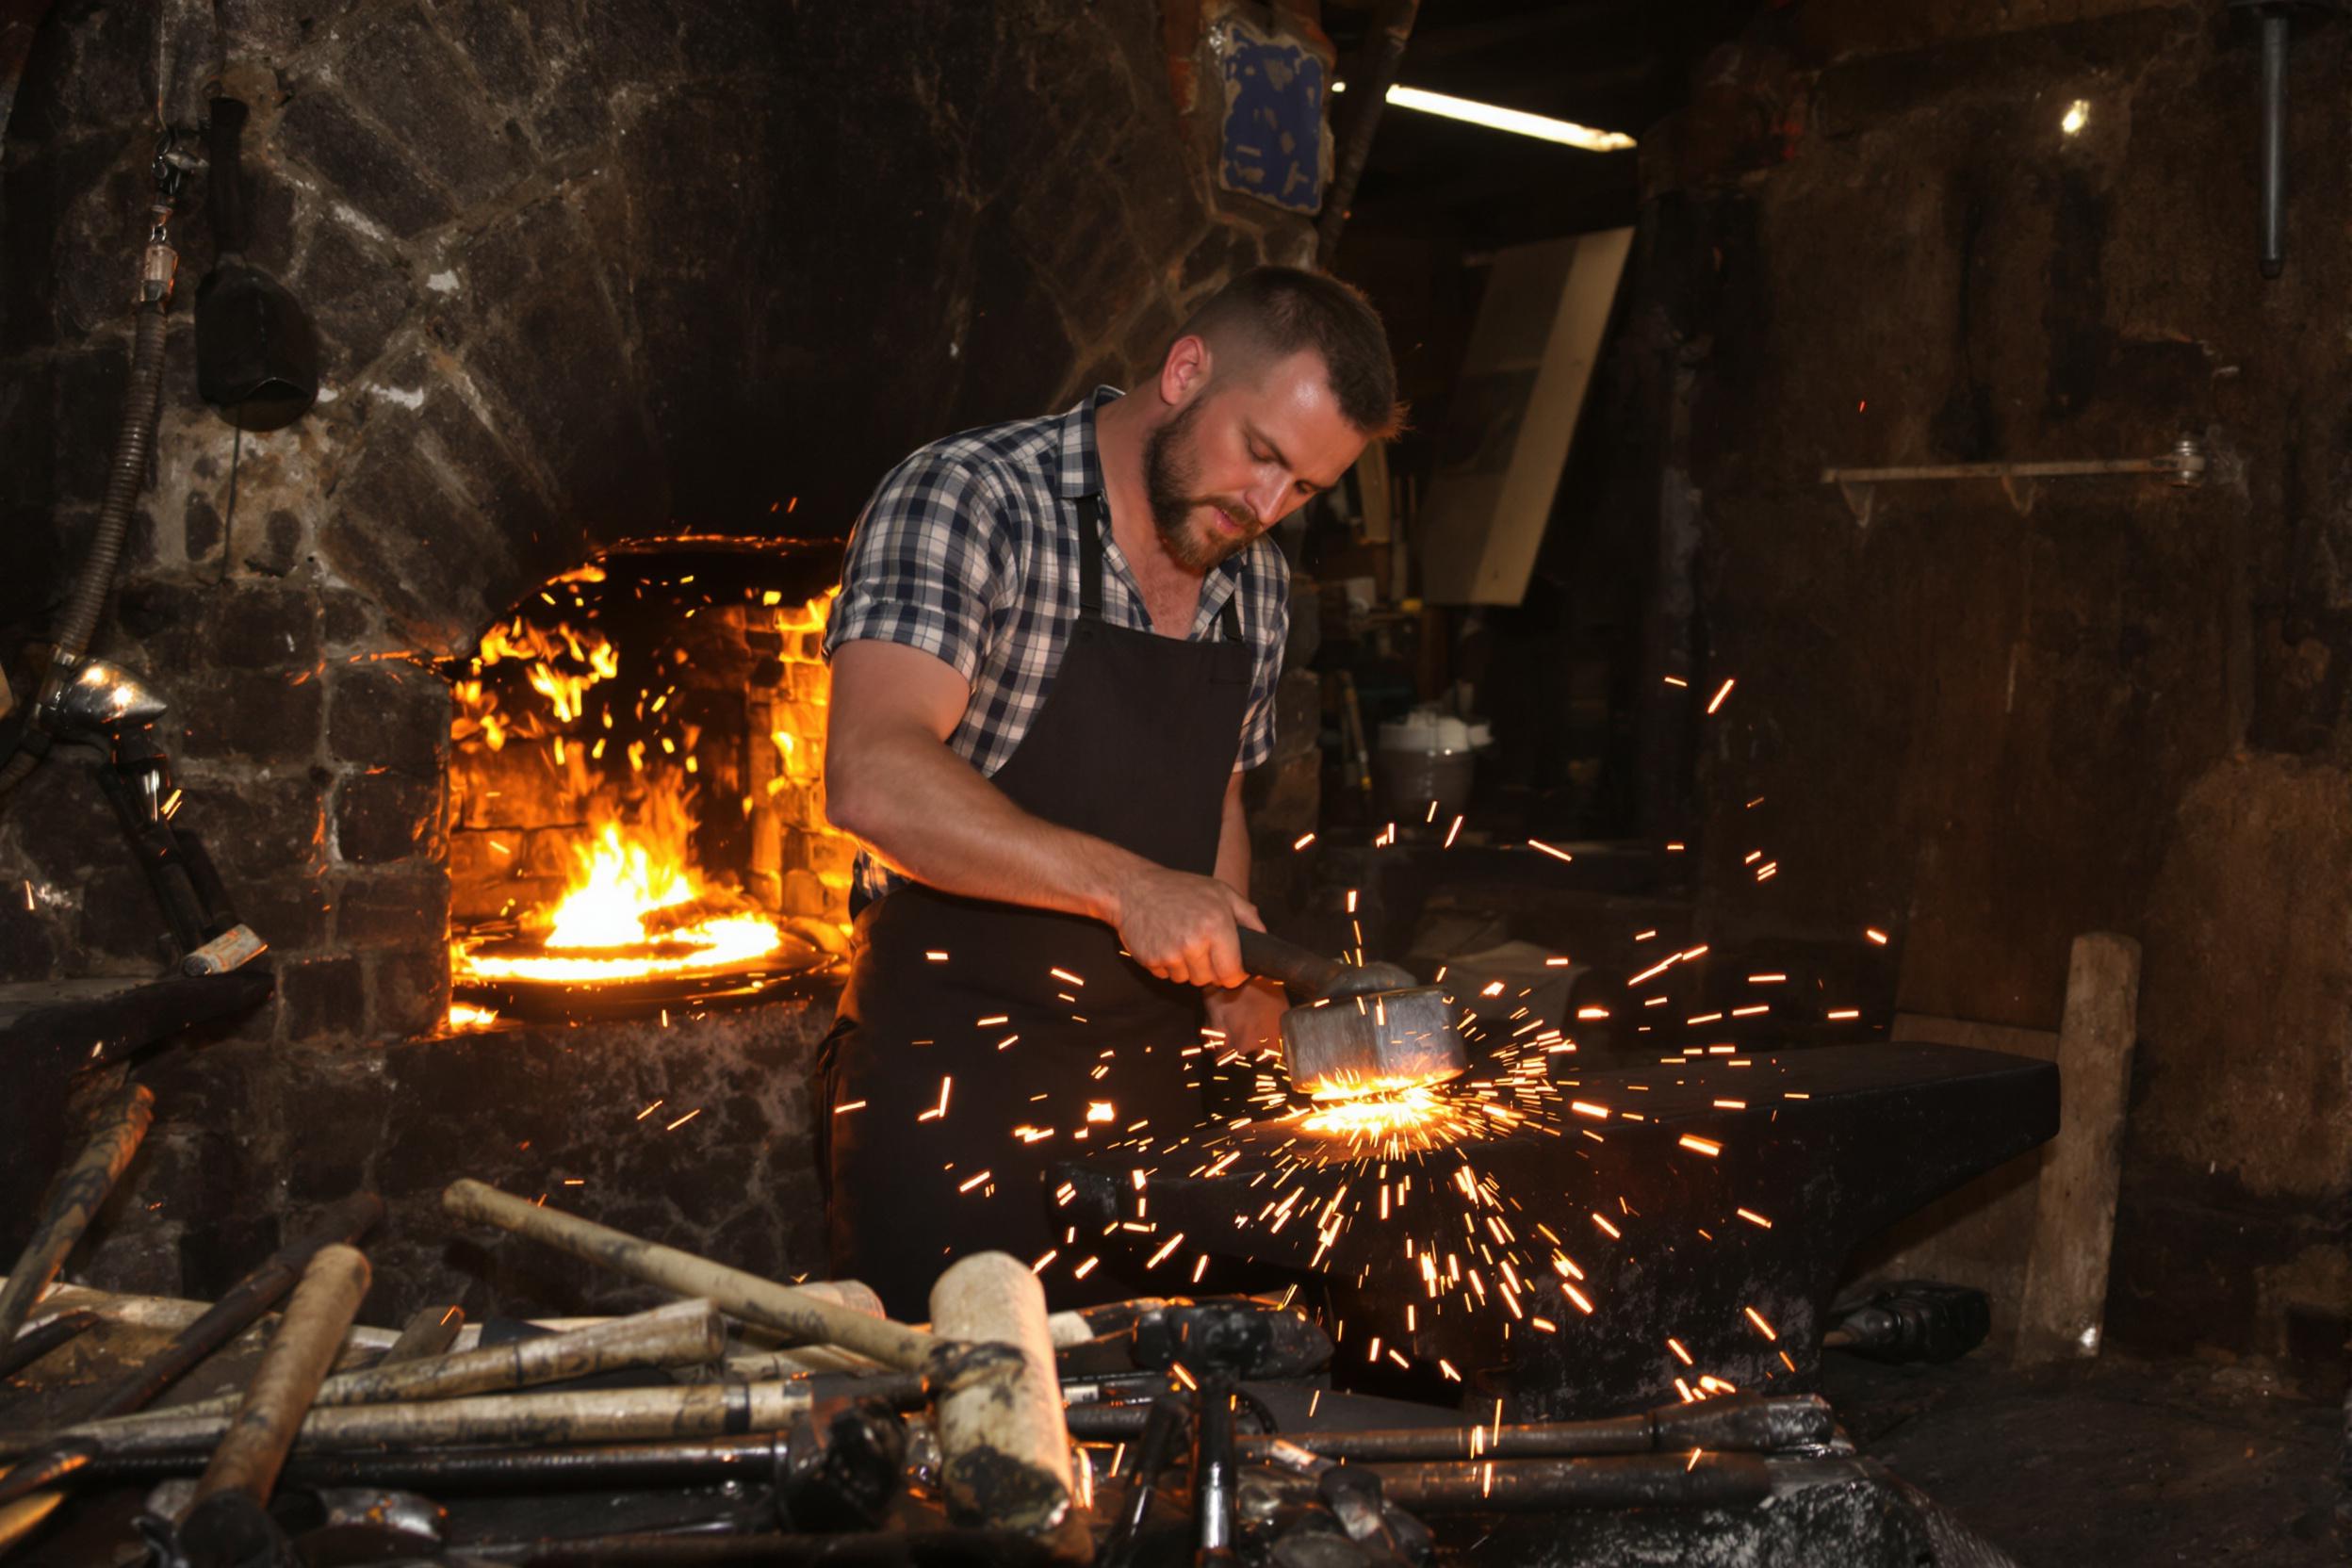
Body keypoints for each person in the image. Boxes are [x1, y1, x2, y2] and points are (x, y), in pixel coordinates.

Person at [816, 266, 1402, 1318]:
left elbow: (1214, 796)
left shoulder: (1255, 582)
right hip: (958, 1089)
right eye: (1261, 454)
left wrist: (1236, 970)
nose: (1266, 508)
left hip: (1151, 1100)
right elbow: (873, 771)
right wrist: (1132, 888)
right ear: (1186, 370)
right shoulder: (972, 496)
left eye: (1304, 489)